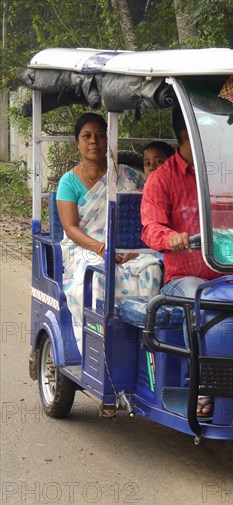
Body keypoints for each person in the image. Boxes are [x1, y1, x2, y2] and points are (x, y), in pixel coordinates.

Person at [56, 113, 162, 354]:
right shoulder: (68, 182)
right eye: (87, 136)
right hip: (85, 247)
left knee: (152, 268)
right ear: (78, 142)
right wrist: (102, 248)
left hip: (130, 247)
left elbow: (146, 216)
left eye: (100, 136)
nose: (94, 141)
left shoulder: (130, 176)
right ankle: (99, 346)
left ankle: (143, 343)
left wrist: (133, 250)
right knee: (93, 277)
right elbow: (71, 228)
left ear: (108, 140)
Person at [141, 107, 221, 418]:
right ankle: (202, 384)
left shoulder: (221, 174)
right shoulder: (161, 179)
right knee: (198, 297)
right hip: (183, 277)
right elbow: (150, 228)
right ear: (188, 136)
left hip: (227, 274)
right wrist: (171, 237)